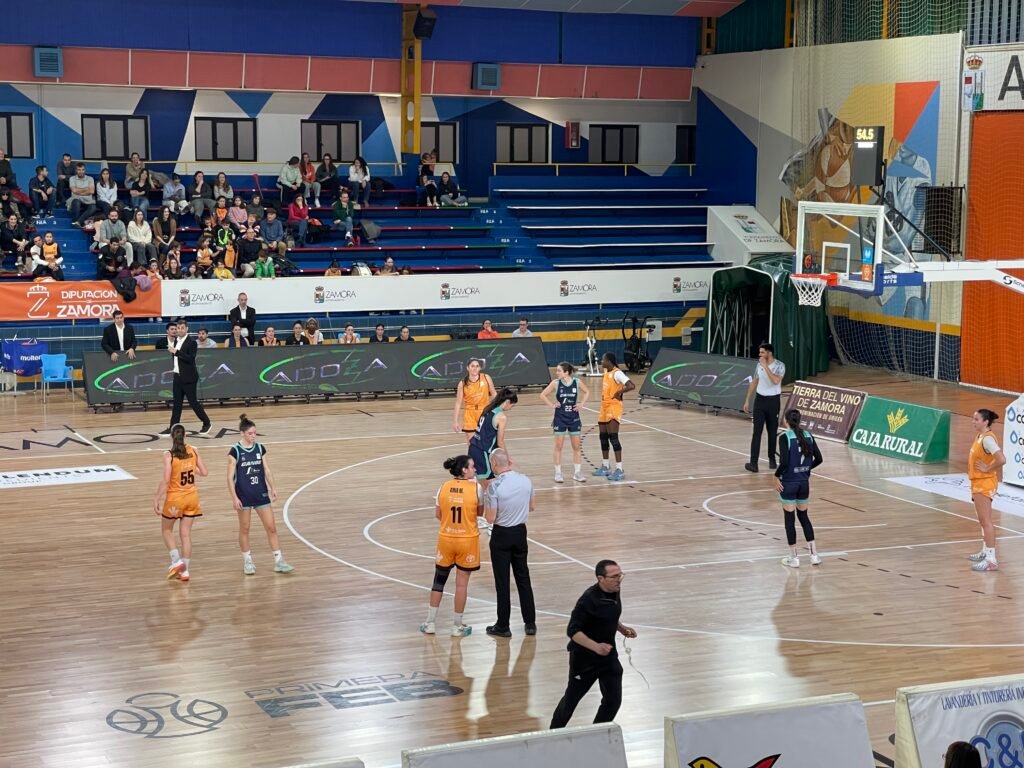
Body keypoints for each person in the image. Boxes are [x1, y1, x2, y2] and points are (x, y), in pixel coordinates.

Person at [549, 560, 636, 728]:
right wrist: (596, 647)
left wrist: (622, 629)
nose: (619, 580)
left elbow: (609, 616)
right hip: (585, 660)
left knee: (613, 701)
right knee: (571, 701)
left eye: (620, 575)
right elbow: (573, 631)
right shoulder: (588, 600)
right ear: (600, 578)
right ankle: (553, 734)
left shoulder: (615, 590)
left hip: (608, 657)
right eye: (614, 576)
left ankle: (597, 732)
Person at [420, 454, 481, 638]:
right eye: (472, 466)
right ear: (464, 470)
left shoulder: (443, 487)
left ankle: (430, 622)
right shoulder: (476, 488)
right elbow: (479, 513)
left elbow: (438, 514)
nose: (475, 469)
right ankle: (457, 626)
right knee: (461, 586)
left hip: (446, 539)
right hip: (467, 540)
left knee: (438, 581)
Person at [228, 413, 293, 575]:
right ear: (242, 433)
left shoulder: (260, 448)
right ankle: (247, 561)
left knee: (271, 528)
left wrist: (273, 487)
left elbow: (267, 470)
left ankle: (279, 561)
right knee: (245, 529)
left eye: (255, 433)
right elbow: (229, 478)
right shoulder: (235, 451)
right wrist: (234, 498)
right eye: (250, 433)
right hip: (243, 495)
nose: (253, 436)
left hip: (260, 494)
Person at [483, 448, 536, 638]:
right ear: (509, 461)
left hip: (501, 535)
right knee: (523, 578)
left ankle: (503, 625)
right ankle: (530, 623)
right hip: (520, 533)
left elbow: (490, 518)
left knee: (502, 582)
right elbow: (532, 506)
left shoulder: (494, 487)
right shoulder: (526, 480)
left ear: (494, 464)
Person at [153, 424, 209, 583]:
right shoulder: (194, 450)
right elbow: (204, 472)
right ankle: (185, 571)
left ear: (172, 436)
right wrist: (190, 469)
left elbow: (166, 481)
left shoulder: (168, 455)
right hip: (192, 498)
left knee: (166, 530)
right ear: (185, 436)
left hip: (175, 500)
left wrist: (156, 498)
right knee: (185, 535)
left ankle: (177, 561)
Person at [774, 409, 824, 568]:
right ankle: (814, 555)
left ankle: (794, 558)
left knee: (790, 520)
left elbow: (784, 462)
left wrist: (776, 476)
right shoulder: (808, 435)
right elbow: (819, 459)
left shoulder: (784, 437)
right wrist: (806, 469)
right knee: (804, 517)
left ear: (786, 421)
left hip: (789, 483)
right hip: (804, 483)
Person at [967, 408, 1006, 572]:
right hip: (978, 482)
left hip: (984, 483)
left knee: (986, 521)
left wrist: (987, 468)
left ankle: (991, 560)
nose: (973, 422)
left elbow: (1001, 459)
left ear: (985, 422)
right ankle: (985, 551)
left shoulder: (988, 439)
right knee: (982, 521)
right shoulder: (981, 436)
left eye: (976, 419)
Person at [540, 362, 590, 483]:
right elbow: (542, 395)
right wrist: (552, 405)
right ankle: (558, 473)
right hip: (560, 418)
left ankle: (577, 473)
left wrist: (581, 404)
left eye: (559, 371)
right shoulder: (556, 383)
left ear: (566, 372)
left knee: (576, 447)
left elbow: (587, 392)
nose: (556, 372)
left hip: (574, 418)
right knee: (558, 447)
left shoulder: (577, 382)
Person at [162, 318, 212, 437]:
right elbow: (176, 359)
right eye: (178, 328)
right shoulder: (175, 341)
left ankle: (207, 423)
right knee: (177, 404)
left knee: (193, 402)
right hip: (177, 376)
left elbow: (190, 359)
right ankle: (173, 427)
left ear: (187, 329)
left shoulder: (192, 343)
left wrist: (176, 352)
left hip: (189, 378)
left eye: (182, 328)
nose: (180, 330)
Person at [743, 342, 786, 473]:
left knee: (772, 432)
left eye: (762, 352)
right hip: (760, 401)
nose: (760, 355)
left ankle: (772, 459)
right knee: (757, 432)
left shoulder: (780, 365)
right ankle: (753, 463)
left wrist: (766, 366)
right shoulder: (759, 365)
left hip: (773, 401)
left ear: (769, 353)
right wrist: (747, 400)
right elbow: (754, 381)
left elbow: (775, 381)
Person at [592, 353, 635, 482]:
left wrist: (619, 392)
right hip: (604, 406)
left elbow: (631, 385)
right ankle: (605, 466)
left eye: (603, 359)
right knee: (603, 437)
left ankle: (619, 469)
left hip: (614, 407)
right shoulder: (606, 371)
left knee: (613, 438)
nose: (601, 361)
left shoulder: (618, 373)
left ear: (609, 361)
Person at [469, 387, 518, 489]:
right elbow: (500, 442)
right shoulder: (501, 417)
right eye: (512, 406)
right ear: (507, 402)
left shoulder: (487, 408)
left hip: (473, 448)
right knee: (490, 489)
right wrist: (507, 457)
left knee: (481, 486)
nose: (511, 408)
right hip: (483, 452)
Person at [453, 358, 496, 443]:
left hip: (484, 412)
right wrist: (455, 421)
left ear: (480, 368)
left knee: (486, 442)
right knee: (472, 444)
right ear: (467, 368)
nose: (475, 368)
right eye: (472, 366)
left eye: (477, 366)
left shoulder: (486, 378)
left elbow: (494, 394)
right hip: (470, 414)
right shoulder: (462, 383)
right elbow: (458, 403)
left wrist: (499, 409)